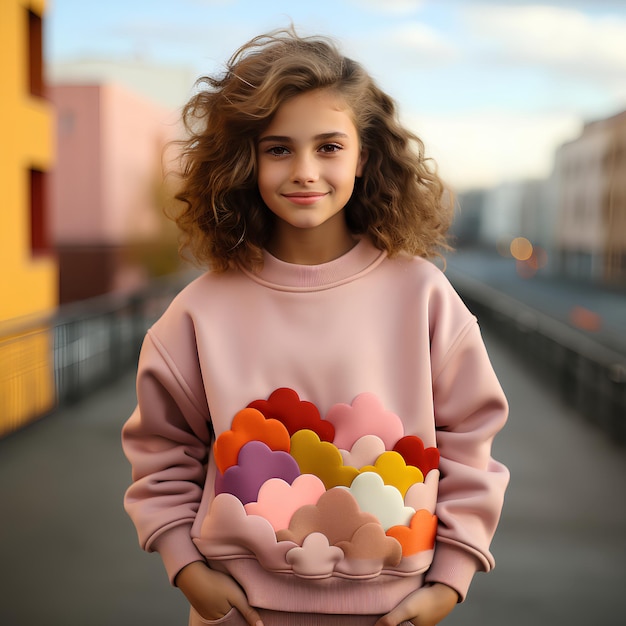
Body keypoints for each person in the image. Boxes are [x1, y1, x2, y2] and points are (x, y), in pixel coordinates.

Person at [122, 27, 509, 626]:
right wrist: (186, 567)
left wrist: (450, 580)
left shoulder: (423, 294)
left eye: (329, 146)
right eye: (278, 149)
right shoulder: (200, 308)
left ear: (365, 156)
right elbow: (161, 447)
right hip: (237, 612)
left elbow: (471, 444)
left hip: (393, 612)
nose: (305, 170)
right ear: (244, 161)